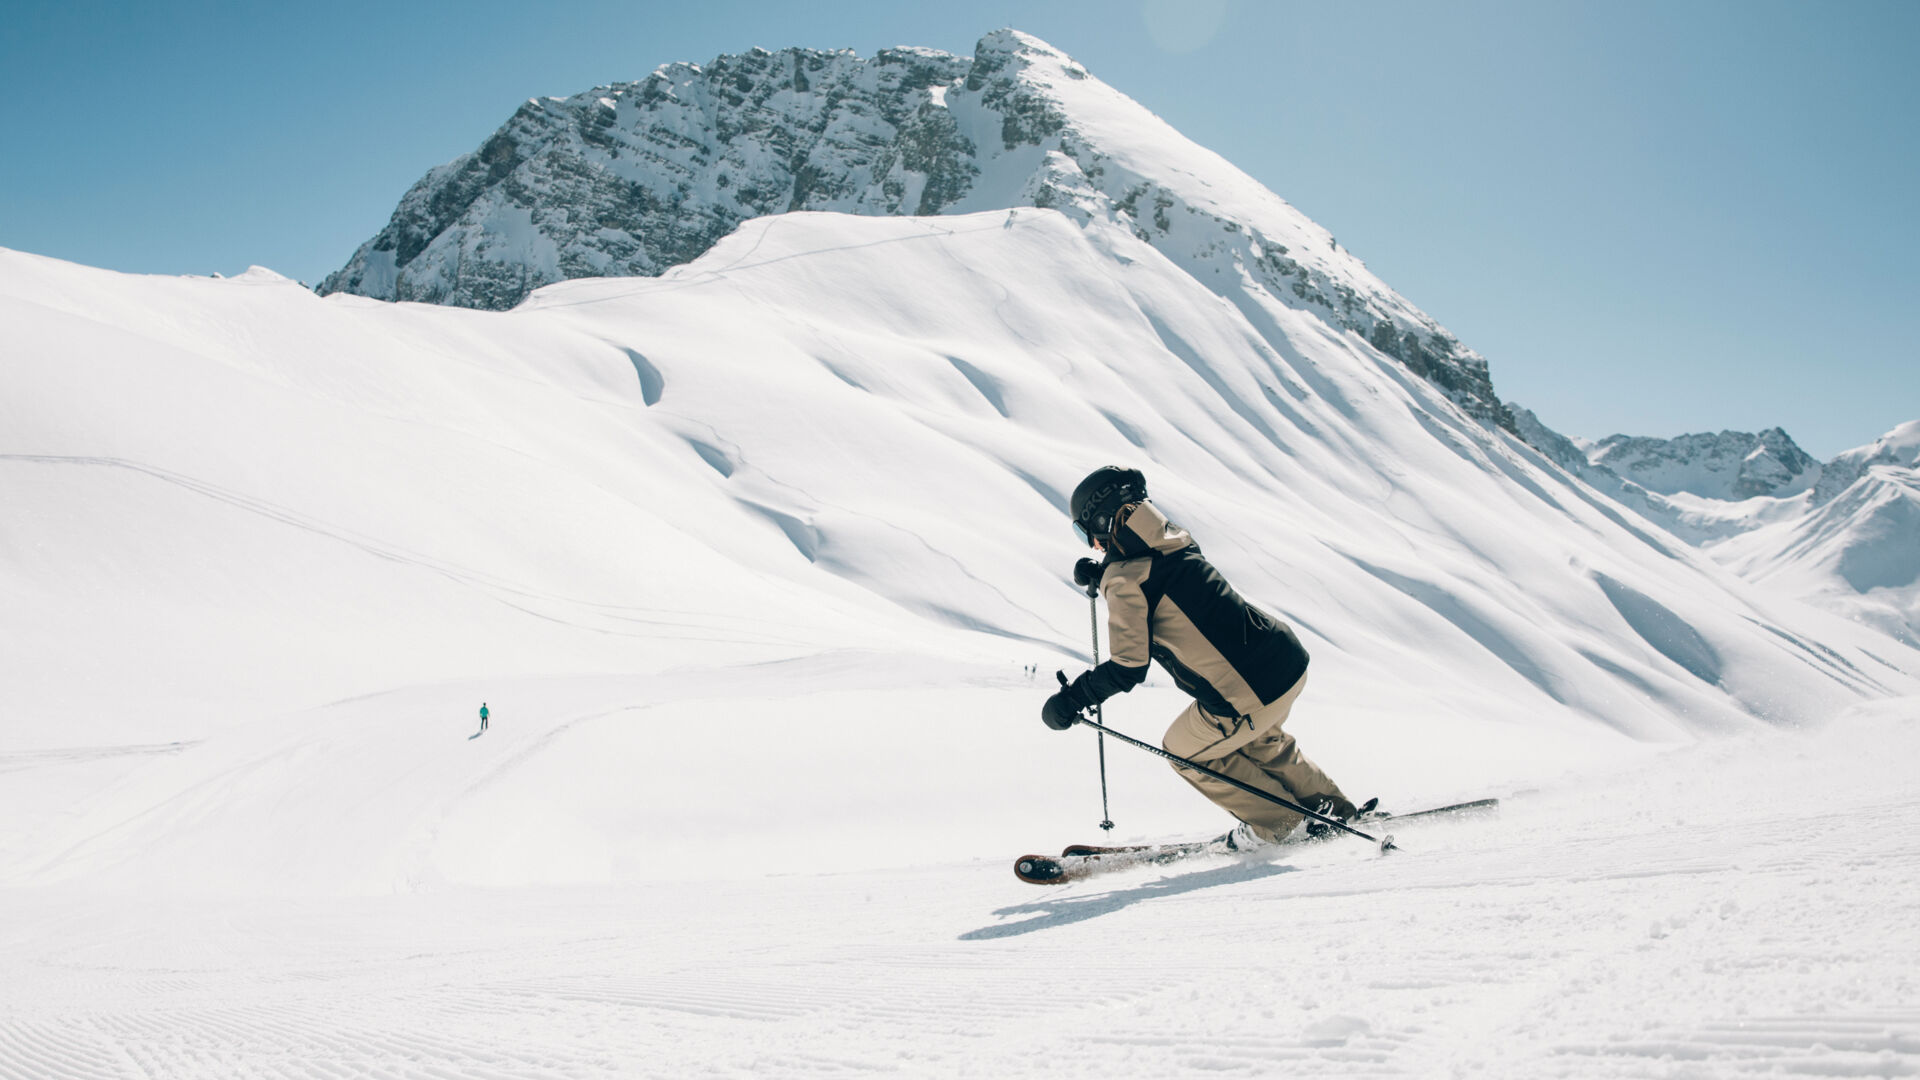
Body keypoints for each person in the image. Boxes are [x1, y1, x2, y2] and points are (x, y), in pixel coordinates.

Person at [1041, 466, 1365, 847]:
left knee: (1184, 751)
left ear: (1102, 520)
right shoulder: (1175, 540)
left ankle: (1283, 825)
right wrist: (1107, 571)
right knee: (1259, 741)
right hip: (1286, 662)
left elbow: (1128, 667)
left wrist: (1072, 699)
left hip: (1246, 691)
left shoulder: (1125, 579)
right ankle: (1336, 810)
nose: (1093, 545)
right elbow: (1165, 584)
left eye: (1086, 533)